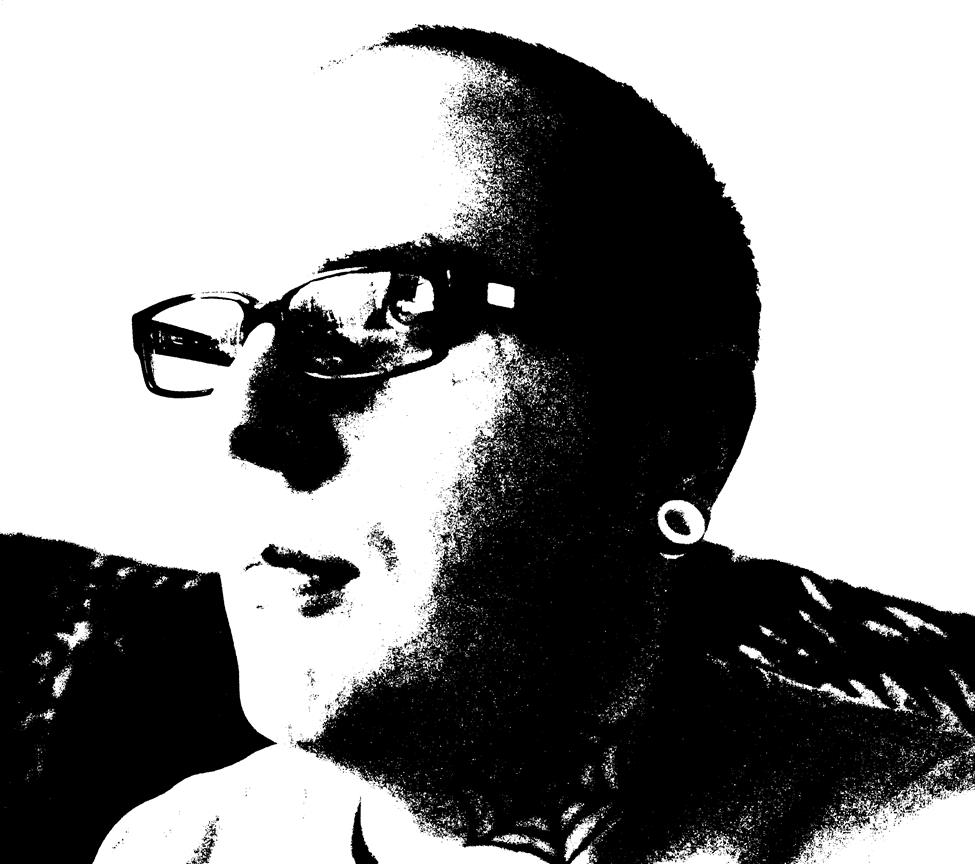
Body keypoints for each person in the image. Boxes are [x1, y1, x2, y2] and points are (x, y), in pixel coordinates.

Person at [66, 24, 975, 863]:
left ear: (682, 440)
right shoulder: (171, 847)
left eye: (390, 311)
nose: (244, 430)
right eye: (223, 346)